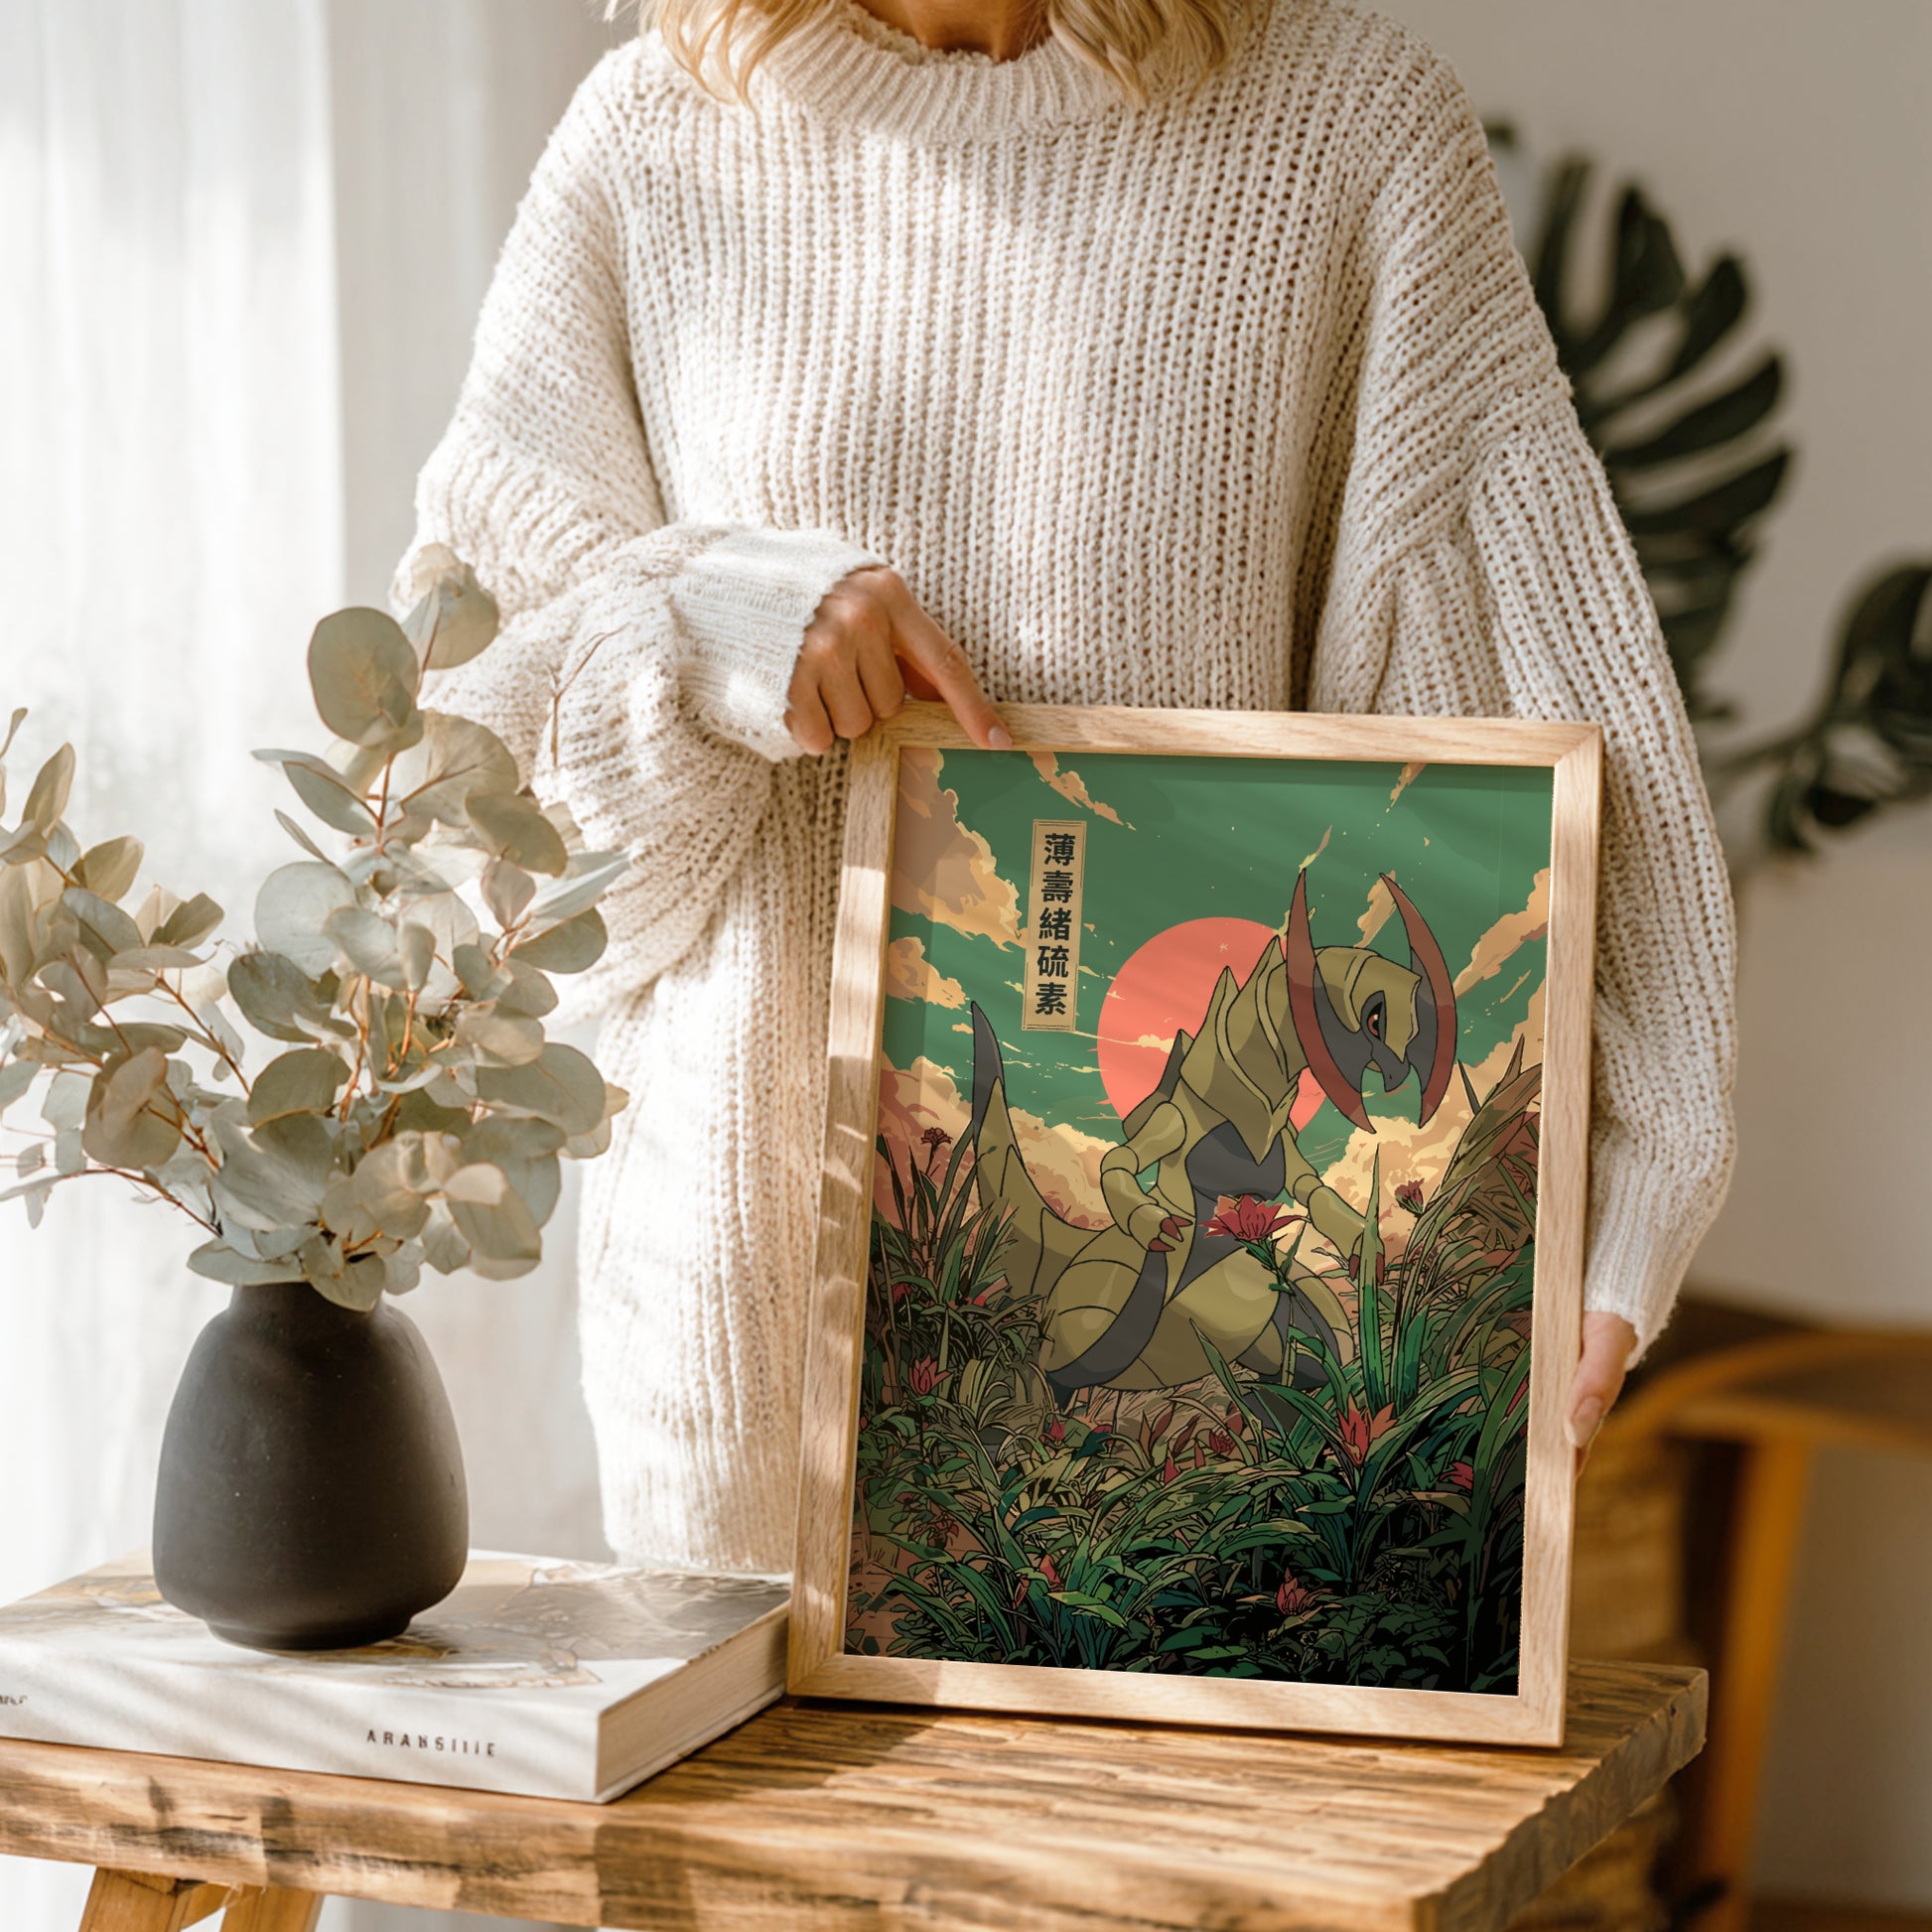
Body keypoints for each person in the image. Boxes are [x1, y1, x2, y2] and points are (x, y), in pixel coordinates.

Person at [392, 0, 1737, 1577]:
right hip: (741, 1356)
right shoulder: (649, 141)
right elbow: (466, 821)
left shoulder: (1343, 128)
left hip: (1211, 1367)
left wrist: (1625, 1175)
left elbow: (1519, 705)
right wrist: (704, 622)